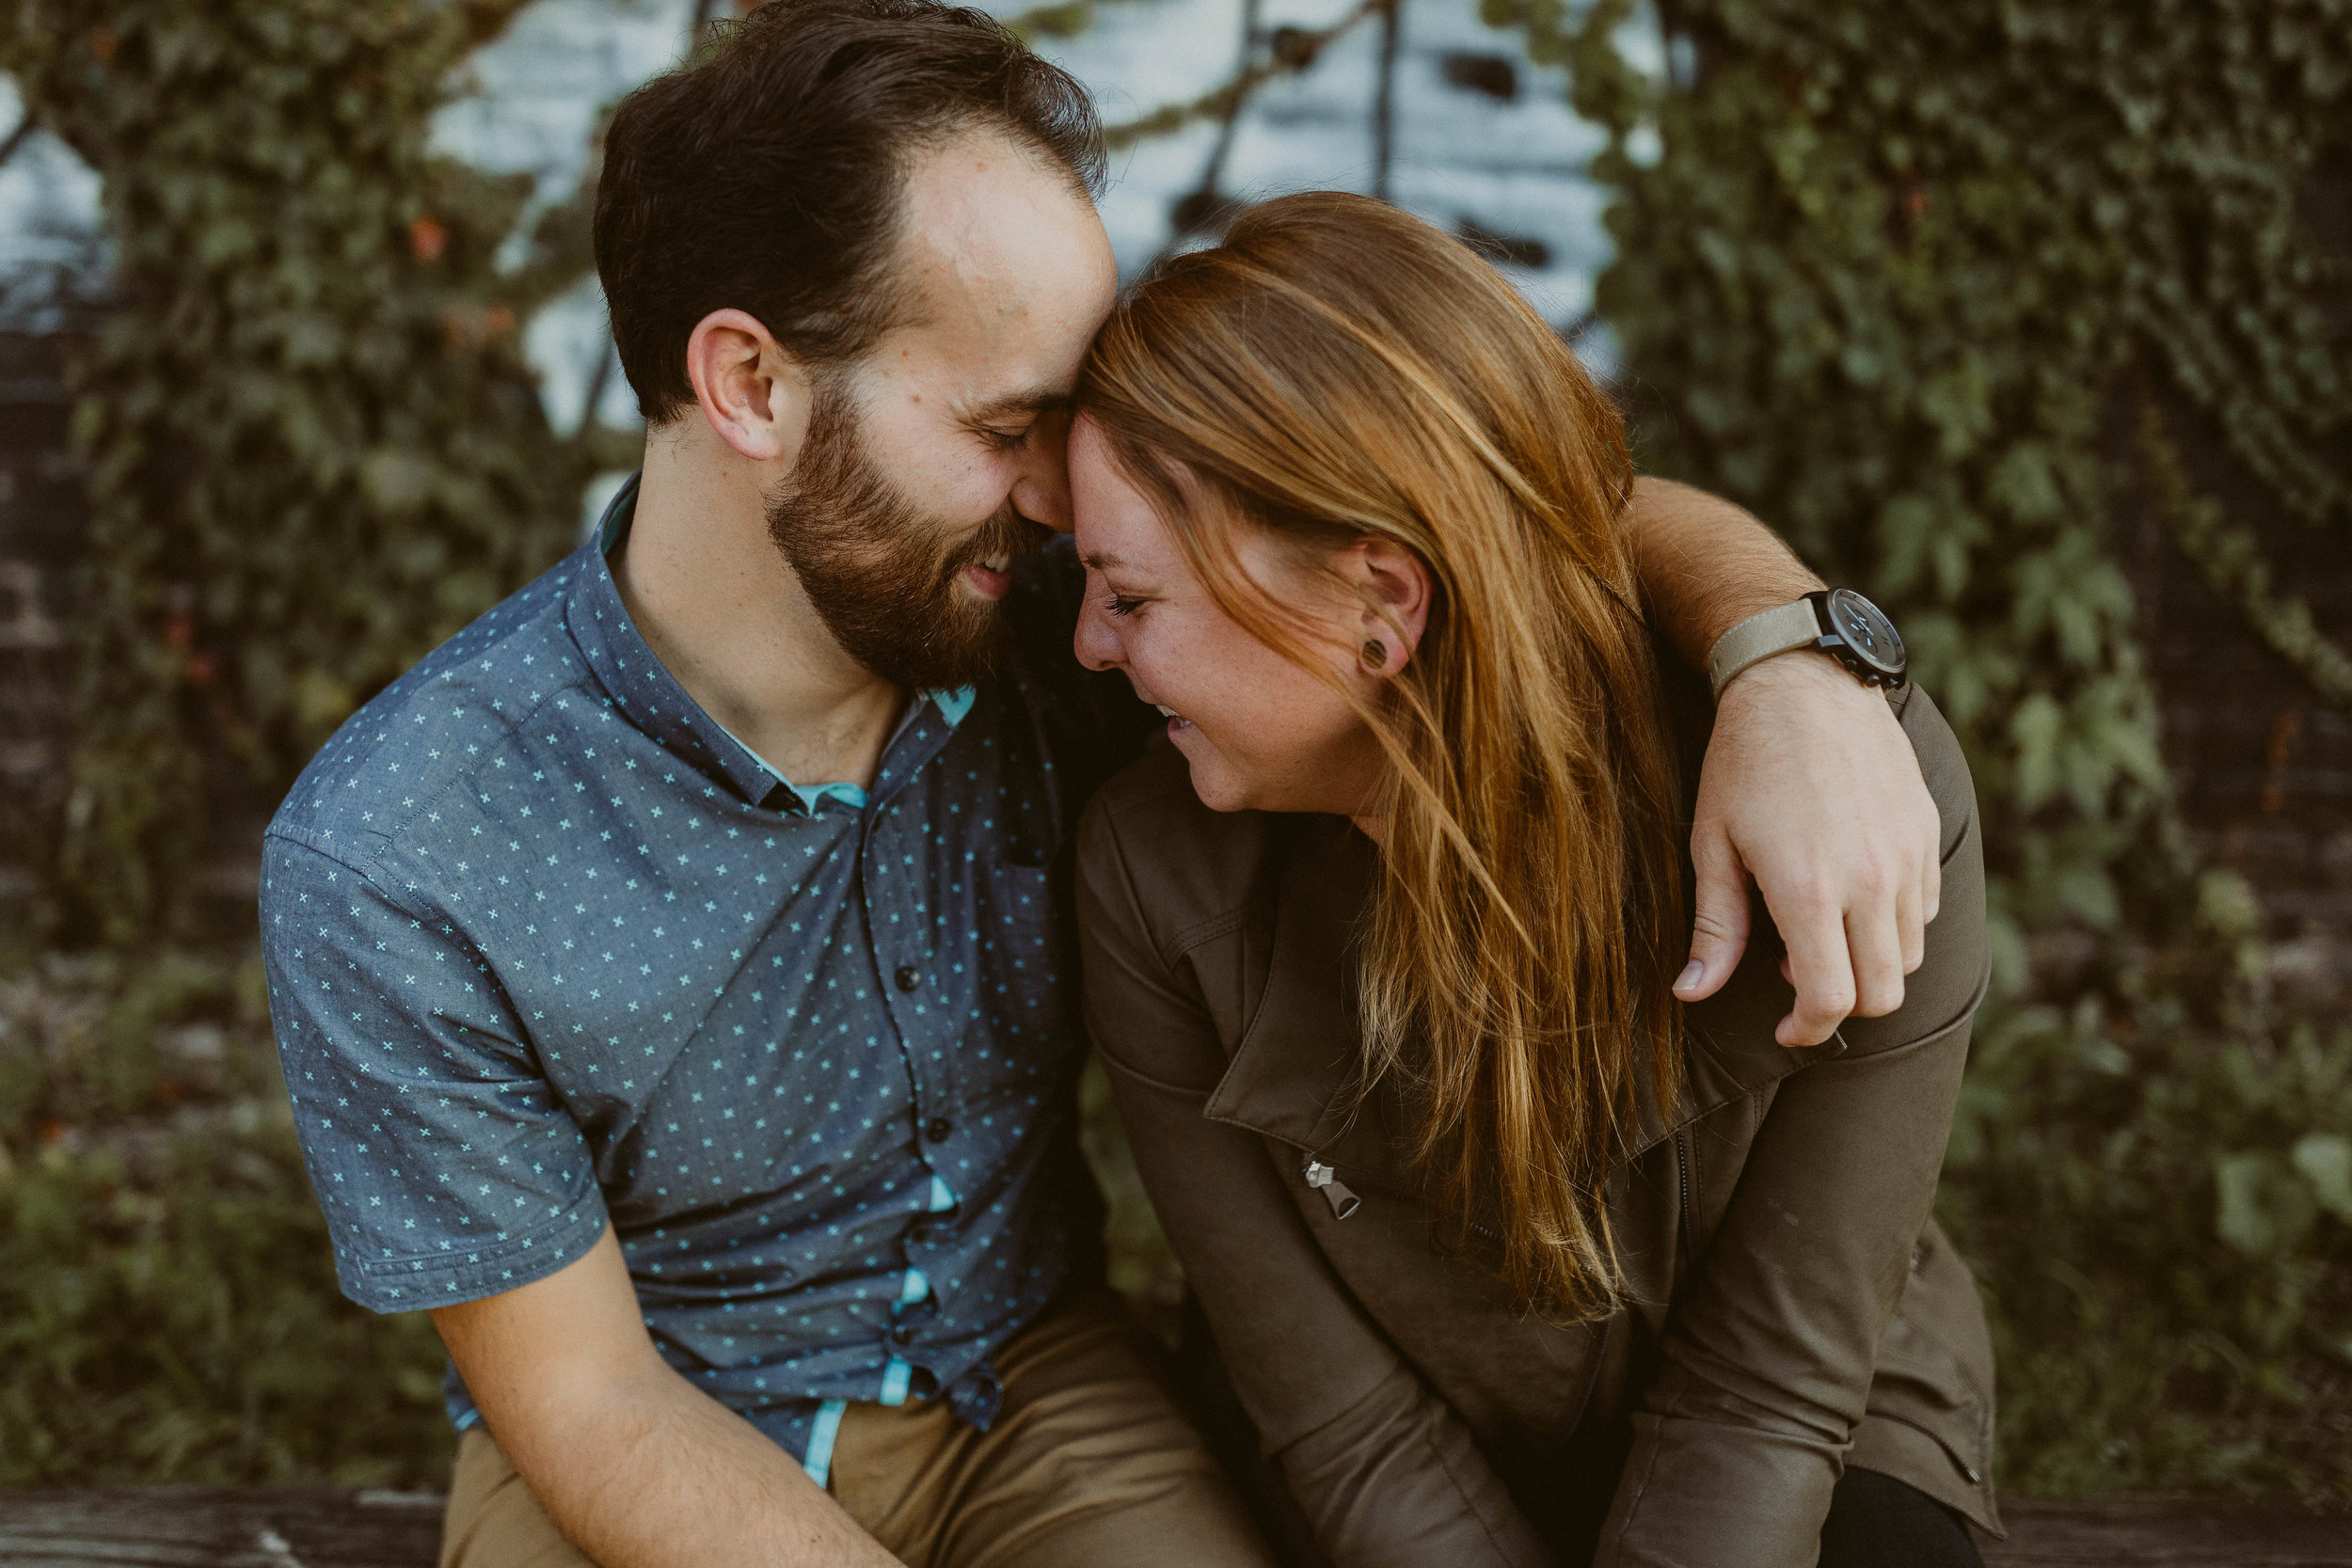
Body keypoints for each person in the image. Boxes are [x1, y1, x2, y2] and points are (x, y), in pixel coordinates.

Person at [259, 5, 1950, 1565]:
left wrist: (1787, 656)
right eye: (1013, 427)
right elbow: (588, 1405)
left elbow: (1474, 519)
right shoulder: (400, 851)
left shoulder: (1080, 622)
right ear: (751, 384)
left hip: (1033, 1387)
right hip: (657, 1427)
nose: (1071, 499)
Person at [1071, 191, 1999, 1568]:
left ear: (1384, 606)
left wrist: (1784, 656)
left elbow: (1769, 1395)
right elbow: (1349, 1432)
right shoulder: (1156, 882)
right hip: (1388, 1462)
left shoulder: (1845, 799)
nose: (1086, 646)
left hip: (1819, 1412)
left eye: (1131, 598)